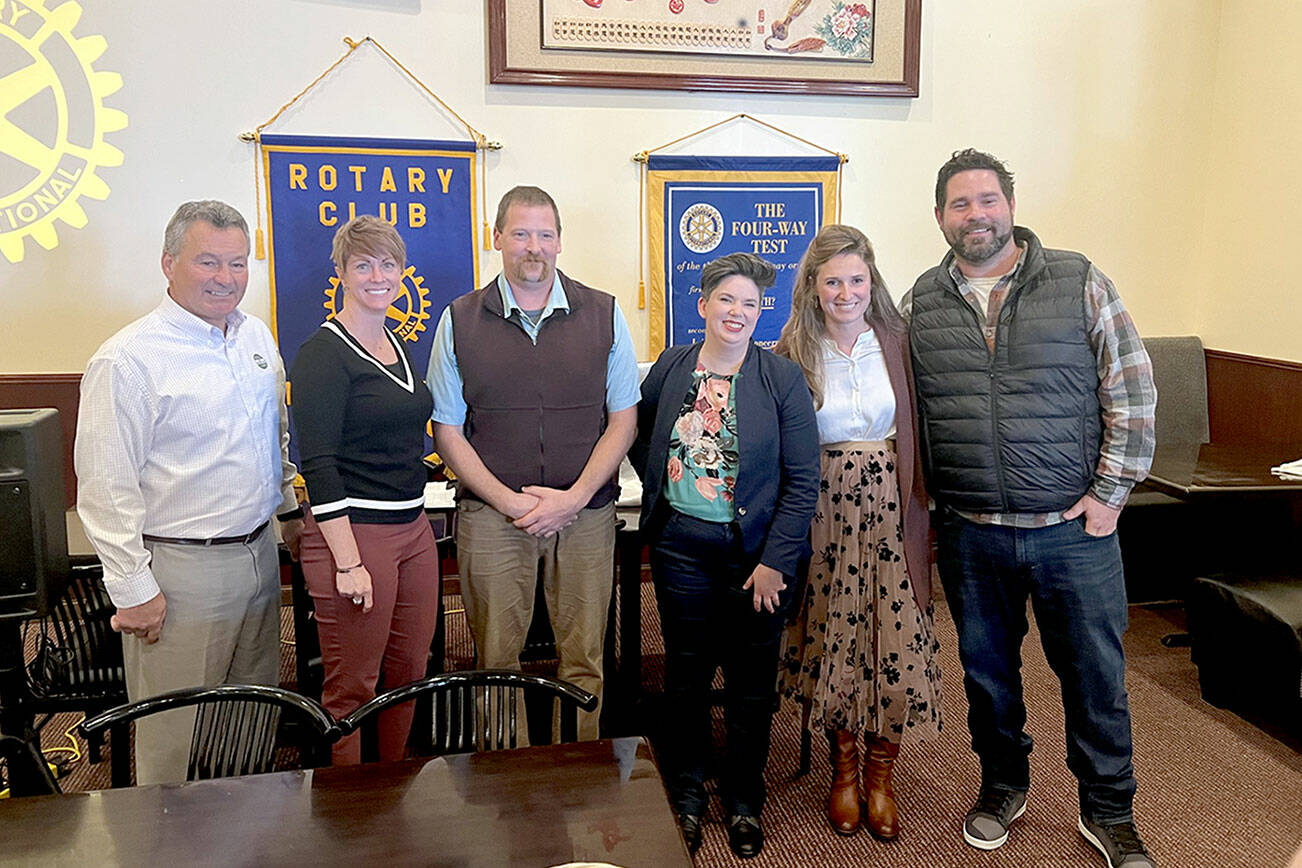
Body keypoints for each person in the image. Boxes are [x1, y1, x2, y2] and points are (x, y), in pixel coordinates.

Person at [904, 149, 1158, 868]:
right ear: (939, 217)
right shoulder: (921, 302)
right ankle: (1002, 786)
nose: (975, 214)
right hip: (973, 536)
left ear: (1009, 206)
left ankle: (1109, 811)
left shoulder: (1078, 280)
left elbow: (1132, 389)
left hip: (1072, 533)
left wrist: (1111, 494)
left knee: (1095, 678)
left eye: (987, 200)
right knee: (987, 677)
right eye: (959, 203)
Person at [74, 200, 303, 784]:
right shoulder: (128, 360)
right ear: (168, 264)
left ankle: (247, 837)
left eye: (237, 263)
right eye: (208, 262)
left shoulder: (254, 335)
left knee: (251, 720)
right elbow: (104, 488)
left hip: (257, 554)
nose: (226, 279)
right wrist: (132, 588)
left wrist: (289, 515)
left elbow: (271, 439)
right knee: (173, 738)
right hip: (179, 570)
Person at [428, 186, 639, 743]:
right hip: (494, 519)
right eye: (520, 233)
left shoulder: (606, 315)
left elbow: (623, 422)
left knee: (584, 658)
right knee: (496, 662)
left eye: (545, 234)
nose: (533, 247)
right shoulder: (458, 320)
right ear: (495, 238)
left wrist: (570, 500)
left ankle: (578, 771)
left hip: (585, 516)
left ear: (560, 242)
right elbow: (447, 431)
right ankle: (507, 789)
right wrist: (509, 502)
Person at [631, 252, 819, 859]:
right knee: (684, 677)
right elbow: (640, 436)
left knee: (751, 684)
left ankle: (743, 799)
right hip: (681, 549)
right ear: (703, 304)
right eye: (727, 300)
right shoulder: (671, 367)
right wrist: (671, 499)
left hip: (757, 559)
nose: (738, 312)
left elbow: (802, 480)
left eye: (751, 303)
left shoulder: (781, 378)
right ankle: (685, 795)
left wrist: (776, 562)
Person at [775, 225, 941, 840]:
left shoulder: (898, 342)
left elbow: (923, 425)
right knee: (834, 639)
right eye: (833, 281)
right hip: (822, 511)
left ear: (872, 283)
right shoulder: (791, 348)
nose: (846, 292)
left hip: (894, 508)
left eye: (856, 279)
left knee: (891, 642)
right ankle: (842, 772)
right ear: (813, 289)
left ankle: (879, 776)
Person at [289, 215, 439, 765]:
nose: (378, 275)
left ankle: (391, 792)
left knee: (407, 675)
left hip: (414, 530)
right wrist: (348, 563)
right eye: (363, 265)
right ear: (342, 273)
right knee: (353, 688)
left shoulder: (395, 343)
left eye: (388, 264)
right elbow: (320, 464)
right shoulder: (323, 354)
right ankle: (349, 819)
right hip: (356, 539)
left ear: (402, 272)